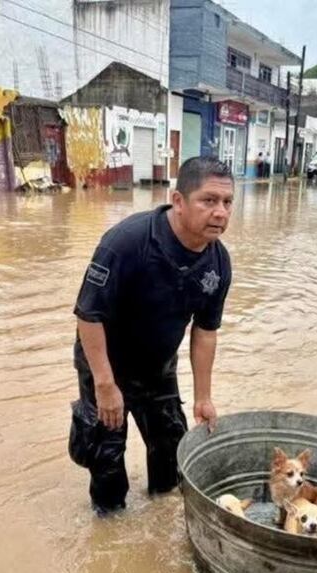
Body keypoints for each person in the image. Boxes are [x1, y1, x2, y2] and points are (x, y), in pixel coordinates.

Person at [68, 156, 235, 516]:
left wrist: (203, 397)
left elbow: (205, 331)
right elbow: (88, 315)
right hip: (106, 365)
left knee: (171, 455)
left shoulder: (218, 263)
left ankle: (159, 523)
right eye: (208, 200)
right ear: (178, 201)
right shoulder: (127, 242)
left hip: (158, 366)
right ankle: (109, 528)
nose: (220, 212)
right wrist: (105, 386)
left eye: (227, 202)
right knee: (107, 456)